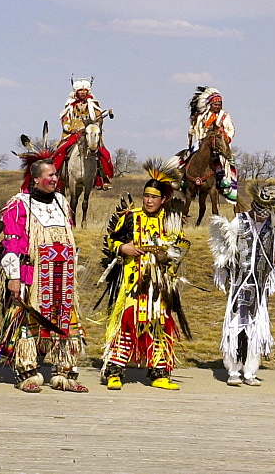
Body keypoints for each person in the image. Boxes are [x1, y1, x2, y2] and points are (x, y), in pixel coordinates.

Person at [0, 158, 87, 393]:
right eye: (49, 175)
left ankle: (64, 373)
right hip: (32, 275)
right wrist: (13, 277)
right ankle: (27, 372)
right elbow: (12, 245)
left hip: (62, 277)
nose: (55, 179)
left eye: (56, 174)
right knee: (28, 323)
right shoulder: (19, 205)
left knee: (66, 321)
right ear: (35, 179)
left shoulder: (62, 202)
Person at [101, 157, 190, 391]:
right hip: (132, 281)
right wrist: (123, 248)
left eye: (154, 197)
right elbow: (112, 239)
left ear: (163, 200)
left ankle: (160, 372)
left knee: (159, 325)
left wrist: (168, 255)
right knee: (126, 324)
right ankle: (114, 371)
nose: (149, 201)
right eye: (146, 196)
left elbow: (182, 245)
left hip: (160, 284)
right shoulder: (130, 217)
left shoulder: (171, 220)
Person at [210, 182, 275, 386]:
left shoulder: (273, 226)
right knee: (235, 326)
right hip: (239, 285)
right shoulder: (239, 222)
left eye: (267, 212)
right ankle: (233, 370)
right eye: (260, 211)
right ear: (254, 205)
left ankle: (250, 371)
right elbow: (226, 250)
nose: (263, 216)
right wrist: (225, 271)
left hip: (259, 287)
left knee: (256, 328)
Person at [59, 77, 113, 190]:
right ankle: (57, 177)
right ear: (76, 92)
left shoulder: (93, 104)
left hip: (89, 134)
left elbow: (98, 118)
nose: (83, 93)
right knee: (59, 152)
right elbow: (65, 118)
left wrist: (97, 123)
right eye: (81, 90)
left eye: (85, 90)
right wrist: (69, 128)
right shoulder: (70, 105)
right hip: (72, 134)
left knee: (104, 154)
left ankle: (102, 179)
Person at [187, 86, 237, 201]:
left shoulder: (224, 116)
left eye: (219, 104)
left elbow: (231, 129)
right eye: (215, 104)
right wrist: (193, 131)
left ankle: (224, 181)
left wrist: (226, 138)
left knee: (225, 161)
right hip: (203, 143)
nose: (218, 106)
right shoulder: (203, 116)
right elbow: (196, 127)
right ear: (210, 104)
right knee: (188, 155)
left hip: (220, 144)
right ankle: (184, 178)